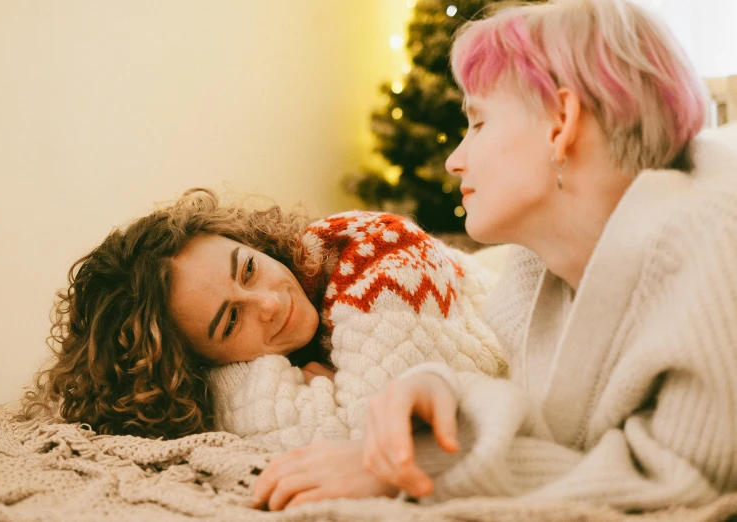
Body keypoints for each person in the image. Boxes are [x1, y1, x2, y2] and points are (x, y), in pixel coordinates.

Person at [250, 0, 737, 512]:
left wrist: (412, 467)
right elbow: (555, 431)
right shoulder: (537, 271)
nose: (454, 161)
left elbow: (681, 480)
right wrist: (434, 391)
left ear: (561, 124)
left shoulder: (715, 247)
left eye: (477, 123)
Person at [21, 188, 507, 446]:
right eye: (230, 322)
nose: (270, 304)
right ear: (198, 366)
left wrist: (331, 391)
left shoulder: (369, 250)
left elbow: (374, 431)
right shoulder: (229, 367)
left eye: (249, 268)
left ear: (249, 242)